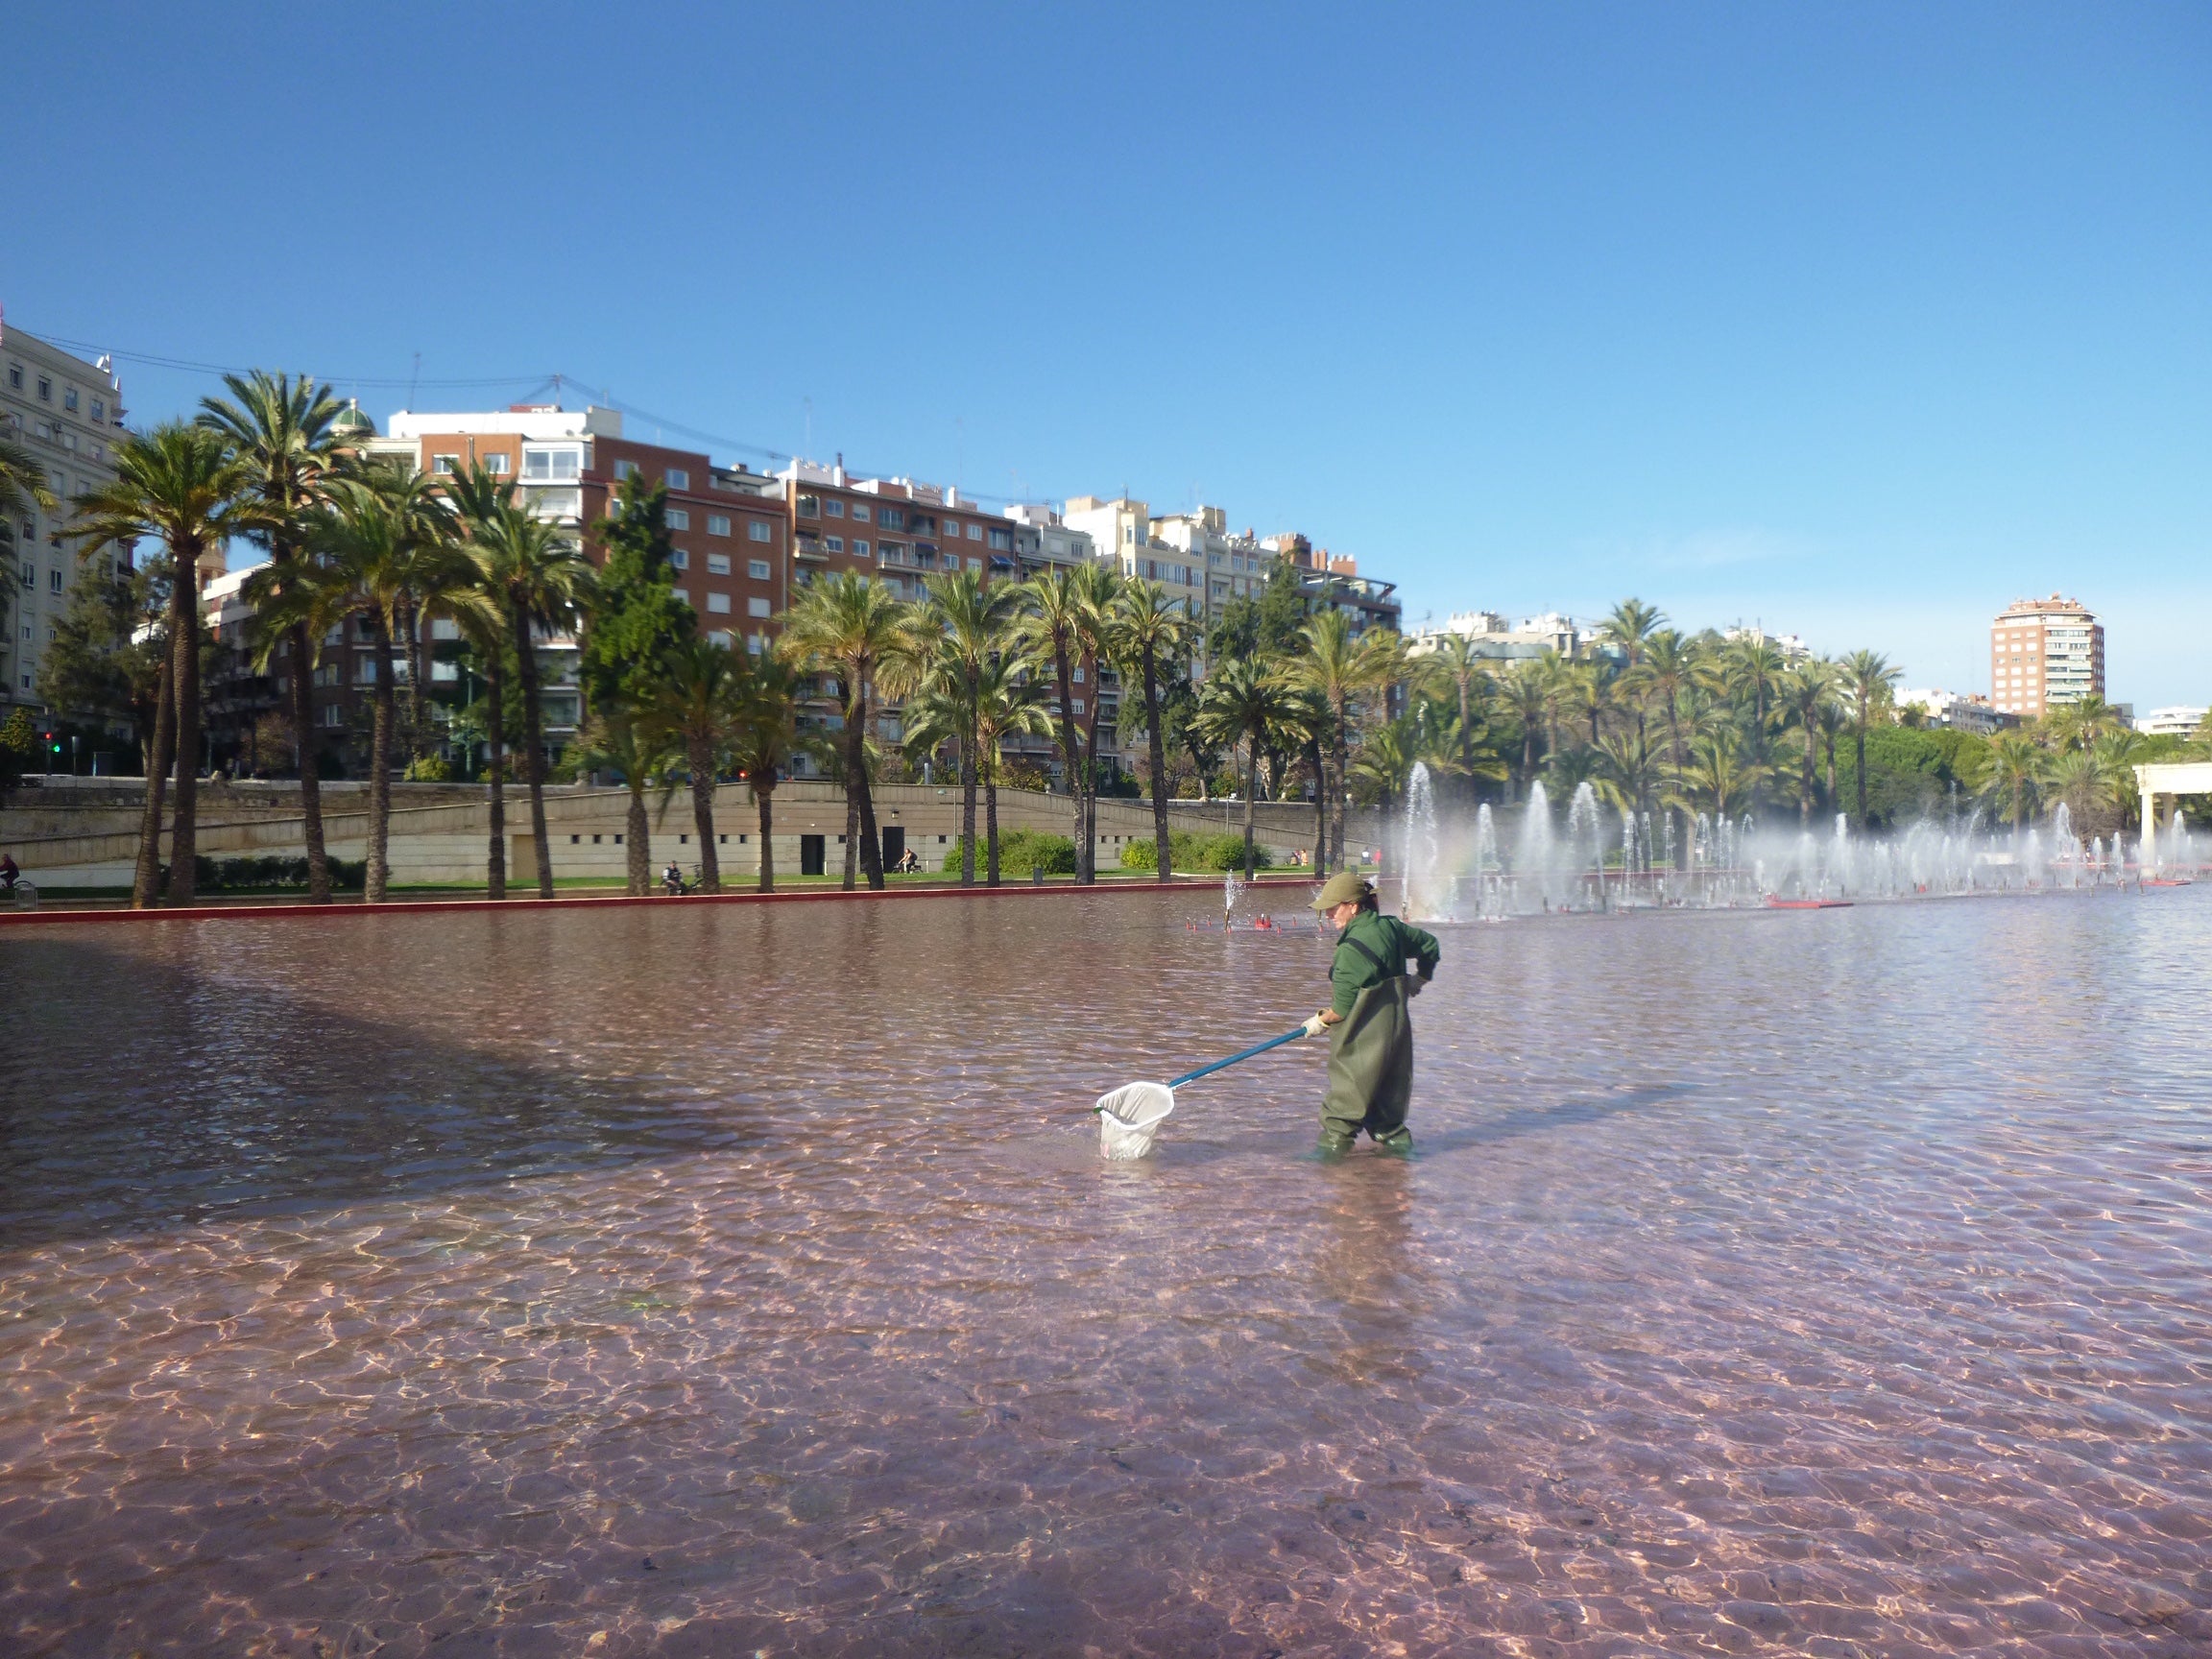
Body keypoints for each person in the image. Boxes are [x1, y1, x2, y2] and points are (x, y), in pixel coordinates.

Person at [1301, 871, 1440, 1155]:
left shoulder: (1349, 951)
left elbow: (1340, 1011)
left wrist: (1317, 1021)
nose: (1328, 914)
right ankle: (1403, 1166)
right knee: (1388, 1118)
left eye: (1333, 907)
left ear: (1353, 905)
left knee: (1342, 1113)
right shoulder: (1392, 928)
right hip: (1396, 1039)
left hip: (1361, 1041)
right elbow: (1431, 946)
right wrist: (1420, 978)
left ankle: (1326, 1164)